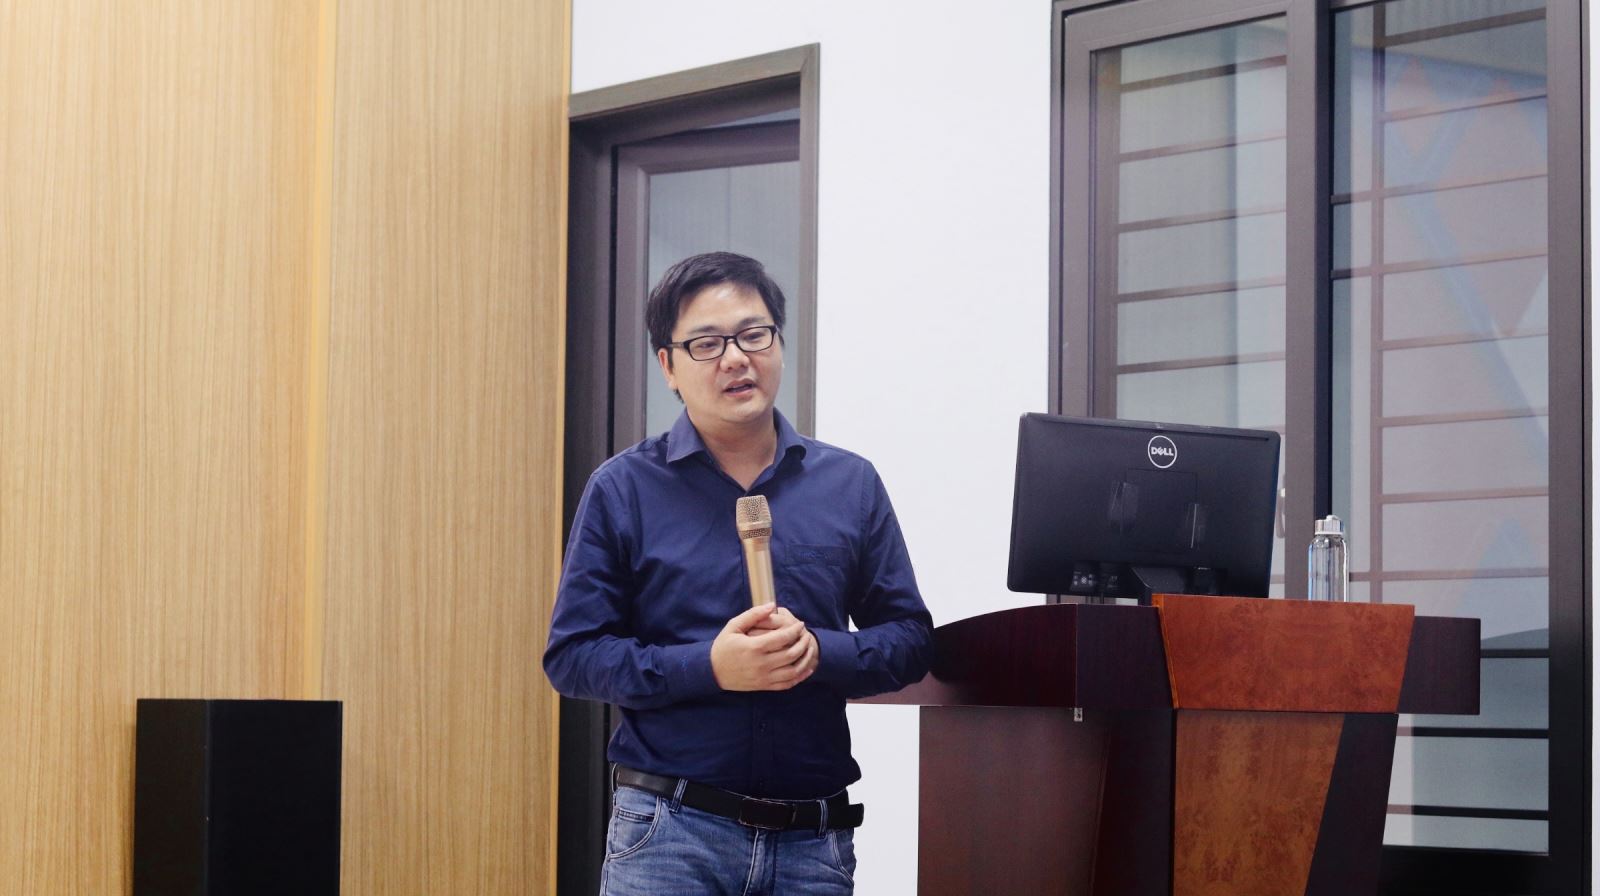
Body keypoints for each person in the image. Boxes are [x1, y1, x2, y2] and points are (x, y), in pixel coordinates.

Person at [544, 251, 935, 895]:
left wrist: (819, 652)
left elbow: (910, 639)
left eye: (754, 334)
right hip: (668, 833)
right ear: (668, 366)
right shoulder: (623, 489)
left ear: (778, 343)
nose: (735, 358)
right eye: (706, 343)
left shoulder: (850, 484)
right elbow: (574, 656)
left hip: (813, 842)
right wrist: (710, 666)